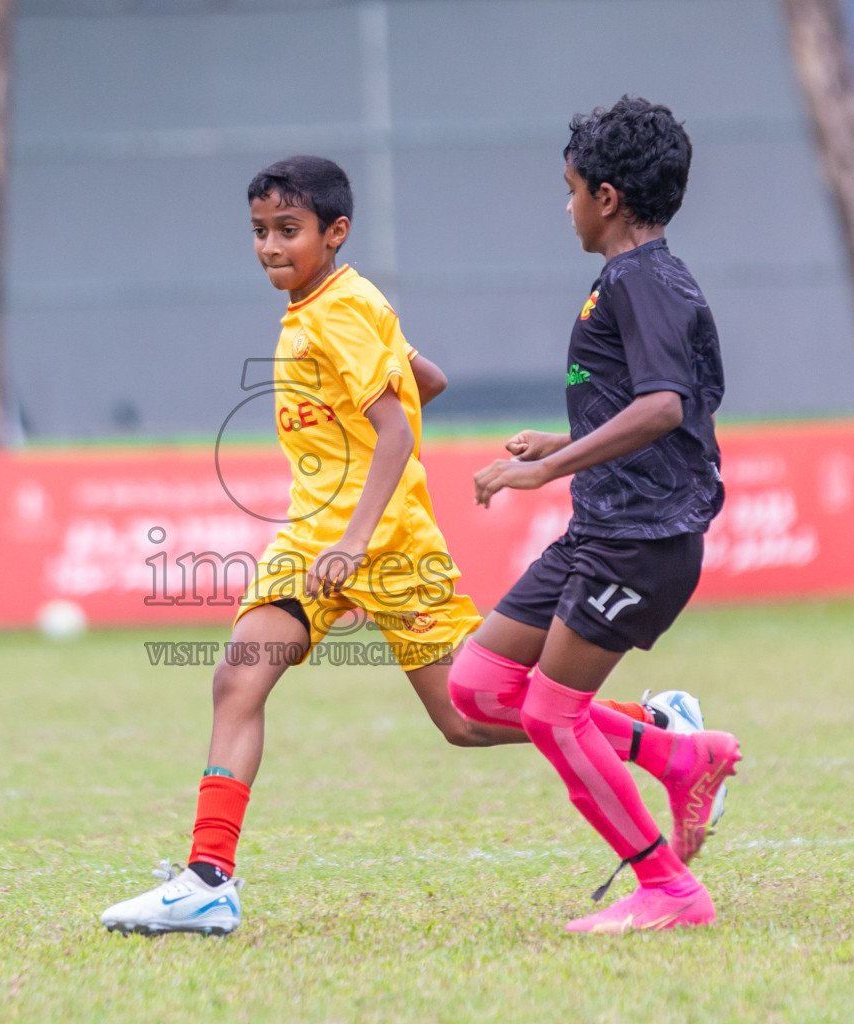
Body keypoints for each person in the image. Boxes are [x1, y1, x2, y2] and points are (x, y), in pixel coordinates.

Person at [100, 154, 712, 936]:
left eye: (288, 231)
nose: (268, 247)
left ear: (335, 232)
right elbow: (427, 381)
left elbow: (395, 428)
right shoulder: (339, 300)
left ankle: (653, 731)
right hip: (311, 538)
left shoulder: (340, 310)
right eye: (258, 232)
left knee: (465, 717)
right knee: (235, 680)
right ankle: (208, 877)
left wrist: (355, 540)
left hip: (383, 544)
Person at [447, 97, 740, 934]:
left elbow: (661, 407)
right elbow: (634, 402)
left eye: (570, 188)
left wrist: (548, 471)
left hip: (640, 540)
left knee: (550, 713)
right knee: (479, 688)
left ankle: (670, 893)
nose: (566, 204)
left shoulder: (642, 279)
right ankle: (681, 753)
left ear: (605, 197)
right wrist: (559, 440)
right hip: (602, 530)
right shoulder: (632, 277)